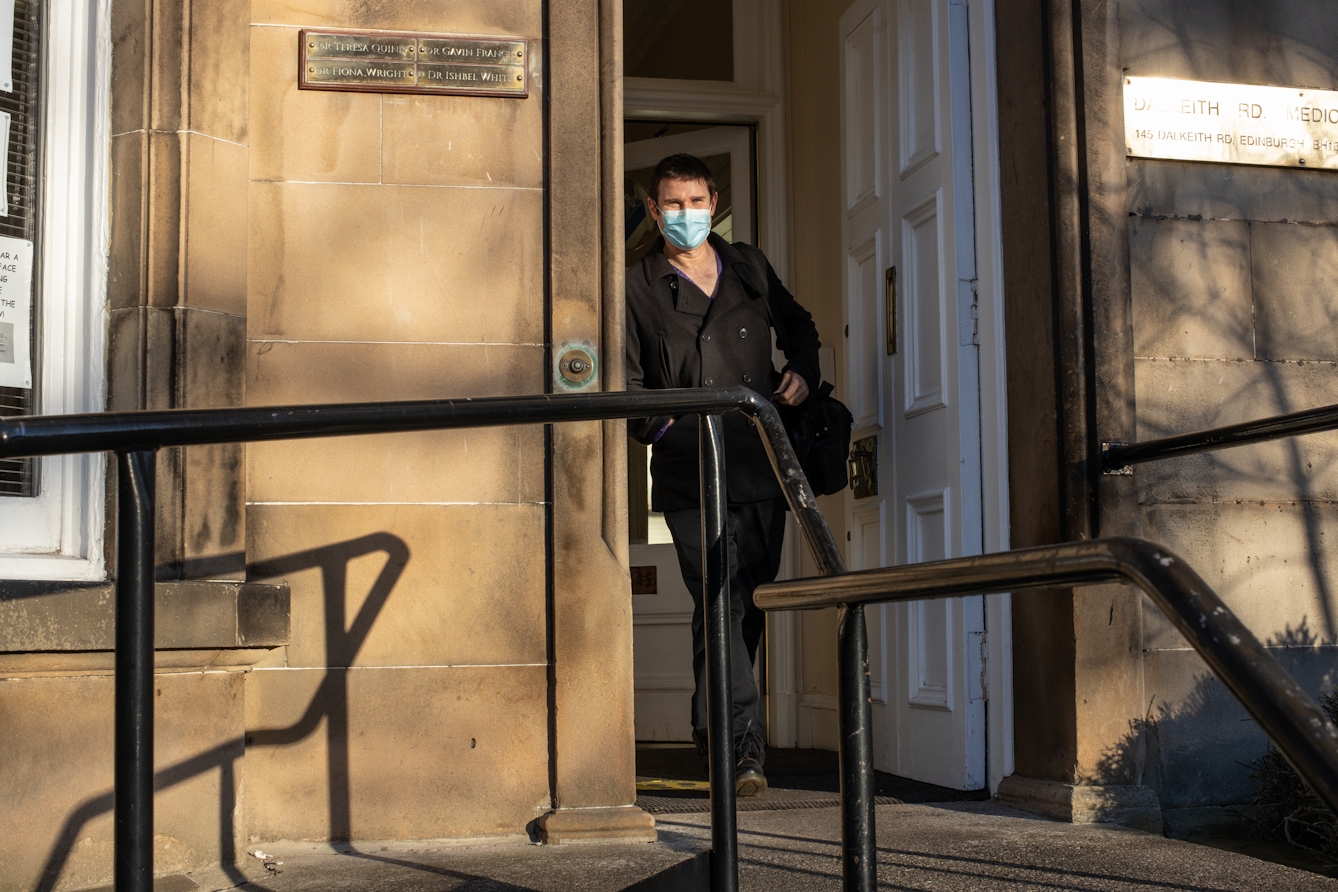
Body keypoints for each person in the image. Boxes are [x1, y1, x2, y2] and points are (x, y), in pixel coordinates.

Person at [626, 153, 821, 797]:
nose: (687, 215)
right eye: (673, 205)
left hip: (761, 463)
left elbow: (800, 327)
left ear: (715, 202)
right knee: (719, 595)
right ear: (655, 212)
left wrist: (801, 371)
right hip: (689, 473)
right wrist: (667, 430)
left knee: (746, 606)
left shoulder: (749, 266)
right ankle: (742, 753)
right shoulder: (636, 284)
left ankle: (713, 735)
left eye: (697, 202)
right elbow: (624, 386)